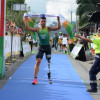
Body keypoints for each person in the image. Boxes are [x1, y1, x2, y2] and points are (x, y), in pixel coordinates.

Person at [25, 15, 61, 84]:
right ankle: (35, 79)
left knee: (48, 62)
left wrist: (58, 20)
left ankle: (49, 77)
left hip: (47, 47)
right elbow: (27, 28)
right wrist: (26, 20)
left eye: (44, 21)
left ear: (46, 22)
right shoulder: (37, 29)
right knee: (37, 62)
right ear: (40, 22)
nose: (43, 22)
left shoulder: (48, 28)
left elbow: (58, 27)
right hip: (41, 47)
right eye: (42, 21)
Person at [75, 27, 100, 93]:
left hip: (99, 58)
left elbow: (88, 40)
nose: (98, 32)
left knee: (92, 72)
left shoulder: (98, 39)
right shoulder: (97, 37)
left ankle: (93, 88)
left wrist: (79, 36)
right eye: (98, 30)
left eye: (99, 30)